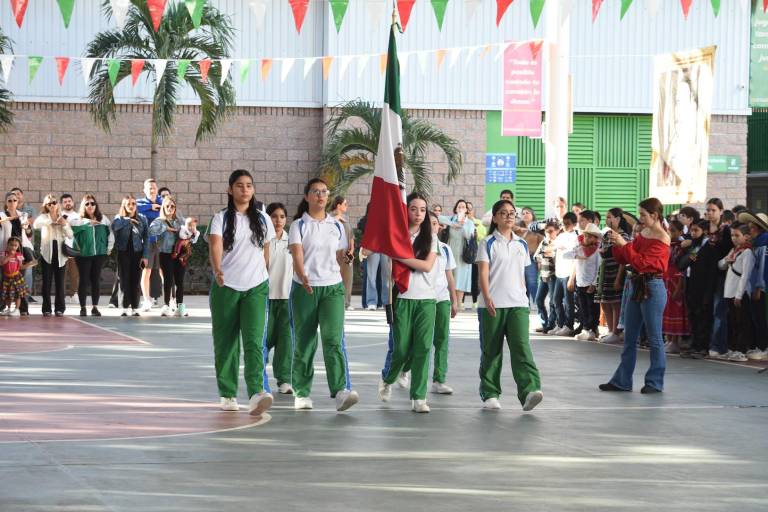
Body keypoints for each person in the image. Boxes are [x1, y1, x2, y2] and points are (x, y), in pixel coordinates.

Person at [208, 170, 275, 416]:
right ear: (230, 190)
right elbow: (215, 245)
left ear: (253, 190)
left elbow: (266, 251)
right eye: (239, 185)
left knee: (255, 341)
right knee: (226, 342)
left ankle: (257, 392)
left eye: (248, 185)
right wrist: (217, 270)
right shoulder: (221, 218)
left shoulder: (264, 219)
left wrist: (262, 274)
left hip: (256, 287)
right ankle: (227, 393)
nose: (244, 190)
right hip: (226, 287)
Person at [289, 178, 359, 412]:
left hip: (332, 288)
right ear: (307, 196)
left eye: (324, 192)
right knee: (305, 340)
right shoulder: (298, 225)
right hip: (304, 289)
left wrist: (349, 257)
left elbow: (340, 258)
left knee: (333, 339)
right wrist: (303, 276)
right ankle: (301, 391)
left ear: (328, 197)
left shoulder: (336, 225)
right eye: (315, 192)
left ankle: (340, 391)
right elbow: (297, 255)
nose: (320, 195)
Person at [476, 199, 543, 411]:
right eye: (503, 213)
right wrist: (487, 298)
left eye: (512, 213)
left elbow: (522, 274)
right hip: (493, 303)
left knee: (522, 347)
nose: (509, 216)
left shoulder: (521, 244)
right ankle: (490, 393)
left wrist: (523, 298)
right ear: (495, 218)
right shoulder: (487, 242)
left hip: (518, 305)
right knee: (491, 350)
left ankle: (530, 391)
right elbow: (483, 272)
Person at [377, 192, 439, 413]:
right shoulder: (397, 237)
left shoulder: (431, 238)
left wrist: (400, 257)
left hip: (426, 300)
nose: (419, 214)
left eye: (423, 209)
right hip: (402, 298)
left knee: (423, 348)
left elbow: (427, 266)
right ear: (406, 210)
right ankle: (387, 377)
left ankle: (418, 396)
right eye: (414, 208)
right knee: (401, 349)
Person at [600, 198, 670, 394]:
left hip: (652, 286)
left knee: (655, 337)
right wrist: (617, 244)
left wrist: (625, 244)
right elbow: (627, 258)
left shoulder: (662, 237)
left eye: (643, 215)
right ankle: (622, 380)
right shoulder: (644, 233)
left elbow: (642, 262)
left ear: (654, 215)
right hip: (637, 284)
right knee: (630, 335)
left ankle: (655, 382)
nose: (640, 218)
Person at [150, 196, 199, 317]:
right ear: (163, 207)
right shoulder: (159, 221)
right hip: (166, 253)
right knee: (168, 280)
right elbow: (151, 231)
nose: (170, 208)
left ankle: (180, 306)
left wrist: (192, 234)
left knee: (179, 281)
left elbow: (191, 235)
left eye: (172, 206)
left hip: (180, 254)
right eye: (167, 206)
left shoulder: (181, 221)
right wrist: (166, 228)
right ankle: (166, 305)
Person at [677, 220, 718, 358]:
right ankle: (694, 344)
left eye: (696, 231)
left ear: (704, 232)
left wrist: (708, 292)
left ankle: (702, 347)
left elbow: (712, 271)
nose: (693, 234)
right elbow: (682, 264)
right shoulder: (695, 247)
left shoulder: (709, 247)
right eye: (692, 231)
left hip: (703, 288)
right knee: (693, 316)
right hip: (691, 286)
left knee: (703, 318)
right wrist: (690, 253)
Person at [266, 202, 294, 395]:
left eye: (282, 216)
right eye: (274, 216)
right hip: (264, 298)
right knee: (262, 341)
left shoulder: (292, 242)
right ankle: (259, 379)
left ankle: (284, 380)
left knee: (286, 342)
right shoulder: (262, 240)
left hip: (286, 299)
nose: (278, 220)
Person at [70, 194, 114, 317]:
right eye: (87, 204)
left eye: (92, 203)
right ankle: (83, 307)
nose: (90, 206)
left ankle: (95, 307)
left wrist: (109, 248)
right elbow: (71, 226)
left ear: (96, 205)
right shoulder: (78, 219)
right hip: (83, 254)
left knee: (95, 280)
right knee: (83, 280)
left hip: (99, 254)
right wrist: (88, 222)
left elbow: (110, 234)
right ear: (83, 206)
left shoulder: (103, 218)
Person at [429, 211, 459, 394]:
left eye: (435, 223)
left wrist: (454, 300)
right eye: (429, 223)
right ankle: (406, 369)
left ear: (440, 227)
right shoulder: (416, 246)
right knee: (419, 340)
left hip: (442, 299)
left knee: (442, 339)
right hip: (422, 299)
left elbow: (449, 275)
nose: (432, 226)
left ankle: (439, 379)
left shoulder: (445, 249)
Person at [718, 223, 755, 362]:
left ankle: (741, 350)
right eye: (732, 235)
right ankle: (732, 348)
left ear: (746, 237)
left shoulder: (747, 252)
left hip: (740, 293)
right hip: (729, 291)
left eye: (737, 235)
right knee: (732, 321)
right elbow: (720, 266)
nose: (734, 238)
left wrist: (739, 295)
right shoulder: (733, 251)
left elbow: (745, 275)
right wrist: (726, 260)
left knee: (742, 322)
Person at [34, 194, 74, 317]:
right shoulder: (43, 217)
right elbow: (36, 225)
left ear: (58, 204)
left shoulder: (63, 217)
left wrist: (64, 224)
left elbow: (70, 235)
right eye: (49, 203)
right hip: (47, 253)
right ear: (45, 206)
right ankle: (46, 308)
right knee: (46, 282)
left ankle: (60, 308)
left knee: (60, 282)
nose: (52, 205)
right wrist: (50, 221)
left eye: (54, 202)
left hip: (61, 254)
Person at [702, 198, 733, 358]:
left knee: (718, 310)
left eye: (713, 210)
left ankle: (719, 346)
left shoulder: (726, 230)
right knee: (705, 310)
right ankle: (704, 344)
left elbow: (728, 250)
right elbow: (696, 250)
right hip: (703, 276)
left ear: (721, 211)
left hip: (720, 275)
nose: (710, 213)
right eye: (708, 210)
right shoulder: (703, 227)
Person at [596, 209, 631, 344]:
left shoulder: (622, 235)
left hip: (617, 270)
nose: (607, 220)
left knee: (616, 302)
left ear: (618, 219)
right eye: (606, 217)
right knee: (605, 301)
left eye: (609, 217)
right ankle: (610, 330)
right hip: (605, 270)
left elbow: (624, 257)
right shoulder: (606, 235)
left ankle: (616, 331)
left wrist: (618, 277)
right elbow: (602, 250)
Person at [112, 195, 150, 317]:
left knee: (135, 280)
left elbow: (146, 237)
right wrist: (128, 221)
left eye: (133, 204)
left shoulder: (142, 218)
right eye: (128, 204)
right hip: (123, 252)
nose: (131, 206)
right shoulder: (119, 218)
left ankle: (134, 307)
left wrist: (145, 255)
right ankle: (124, 306)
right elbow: (114, 227)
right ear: (124, 206)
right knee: (123, 279)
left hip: (137, 252)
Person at [738, 211, 768, 360]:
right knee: (756, 317)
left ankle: (764, 348)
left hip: (761, 288)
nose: (749, 231)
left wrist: (758, 287)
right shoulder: (757, 243)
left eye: (750, 228)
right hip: (756, 286)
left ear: (757, 228)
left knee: (761, 317)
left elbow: (763, 266)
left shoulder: (764, 242)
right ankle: (759, 346)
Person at [565, 223, 602, 341]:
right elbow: (565, 255)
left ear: (595, 238)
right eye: (586, 236)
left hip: (590, 284)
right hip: (580, 283)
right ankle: (586, 328)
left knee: (593, 307)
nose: (587, 239)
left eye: (590, 237)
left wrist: (594, 284)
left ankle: (592, 329)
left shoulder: (597, 251)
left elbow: (598, 268)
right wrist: (577, 255)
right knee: (583, 307)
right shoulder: (580, 249)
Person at [442, 199, 475, 309]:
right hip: (451, 251)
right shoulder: (450, 219)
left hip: (463, 253)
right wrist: (452, 224)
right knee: (449, 275)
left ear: (466, 210)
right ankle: (450, 302)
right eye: (459, 206)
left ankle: (459, 303)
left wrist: (462, 224)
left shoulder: (469, 223)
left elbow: (468, 236)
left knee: (461, 278)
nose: (461, 208)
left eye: (463, 207)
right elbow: (438, 217)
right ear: (456, 209)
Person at [662, 220, 689, 354]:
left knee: (676, 309)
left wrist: (679, 287)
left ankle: (675, 341)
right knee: (667, 309)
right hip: (666, 279)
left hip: (676, 281)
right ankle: (668, 339)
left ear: (680, 232)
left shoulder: (683, 247)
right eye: (669, 229)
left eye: (673, 230)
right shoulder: (667, 245)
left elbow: (683, 267)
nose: (670, 232)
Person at [136, 178, 163, 312]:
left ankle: (170, 301)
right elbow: (134, 209)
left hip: (163, 242)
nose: (152, 190)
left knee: (165, 272)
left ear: (157, 189)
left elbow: (171, 212)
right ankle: (147, 301)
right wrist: (150, 207)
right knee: (146, 271)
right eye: (149, 188)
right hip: (147, 243)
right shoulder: (139, 203)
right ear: (144, 190)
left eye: (154, 187)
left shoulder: (163, 203)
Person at [550, 212, 579, 336]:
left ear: (574, 224)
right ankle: (560, 323)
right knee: (556, 300)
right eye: (564, 223)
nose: (565, 226)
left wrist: (572, 278)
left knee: (568, 302)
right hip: (559, 272)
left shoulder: (576, 237)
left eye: (568, 224)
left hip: (568, 272)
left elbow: (576, 258)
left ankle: (569, 325)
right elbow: (551, 247)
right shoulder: (561, 235)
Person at [533, 219, 560, 334]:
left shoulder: (558, 242)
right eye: (546, 231)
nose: (548, 233)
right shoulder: (544, 241)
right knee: (538, 300)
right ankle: (544, 323)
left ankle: (551, 324)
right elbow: (536, 256)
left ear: (557, 231)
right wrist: (546, 254)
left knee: (553, 301)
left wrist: (546, 254)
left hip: (553, 276)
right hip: (543, 275)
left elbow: (556, 258)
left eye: (550, 231)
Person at [10, 187, 36, 302]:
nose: (16, 197)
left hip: (25, 245)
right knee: (10, 271)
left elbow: (30, 225)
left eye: (18, 195)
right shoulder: (4, 213)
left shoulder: (27, 211)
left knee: (27, 271)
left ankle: (26, 296)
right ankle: (10, 298)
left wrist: (25, 224)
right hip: (10, 246)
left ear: (22, 196)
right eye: (12, 197)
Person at [330, 196, 355, 311]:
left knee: (347, 277)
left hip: (346, 252)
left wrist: (351, 249)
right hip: (334, 253)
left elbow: (351, 236)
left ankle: (346, 303)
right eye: (345, 204)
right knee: (333, 277)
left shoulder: (346, 219)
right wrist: (337, 218)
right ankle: (333, 301)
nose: (347, 206)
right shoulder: (329, 218)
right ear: (338, 205)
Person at [514, 218, 544, 306]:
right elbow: (508, 227)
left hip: (531, 258)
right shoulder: (517, 228)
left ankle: (537, 302)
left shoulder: (536, 228)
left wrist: (539, 260)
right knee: (521, 282)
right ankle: (525, 303)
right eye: (523, 213)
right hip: (518, 258)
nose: (525, 215)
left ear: (532, 215)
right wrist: (519, 229)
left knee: (532, 282)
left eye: (527, 213)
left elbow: (542, 243)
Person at [0, 237, 33, 317]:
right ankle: (8, 309)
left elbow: (21, 267)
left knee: (18, 294)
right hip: (7, 277)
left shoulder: (19, 255)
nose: (13, 247)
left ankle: (17, 309)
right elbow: (2, 262)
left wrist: (29, 264)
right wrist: (10, 255)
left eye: (15, 246)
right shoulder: (3, 253)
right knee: (7, 294)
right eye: (11, 245)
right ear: (7, 245)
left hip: (16, 277)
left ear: (18, 246)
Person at [60, 193, 80, 305]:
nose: (68, 203)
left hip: (73, 248)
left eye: (69, 201)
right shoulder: (59, 216)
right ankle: (61, 295)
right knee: (61, 273)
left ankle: (74, 294)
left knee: (74, 273)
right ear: (62, 204)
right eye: (65, 202)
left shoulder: (78, 215)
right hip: (61, 248)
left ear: (72, 202)